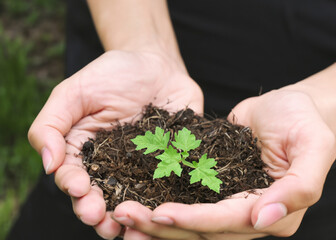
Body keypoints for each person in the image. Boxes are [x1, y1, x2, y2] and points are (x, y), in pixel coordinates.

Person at [7, 0, 336, 239]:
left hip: (292, 153)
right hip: (129, 76)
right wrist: (143, 45)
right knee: (84, 203)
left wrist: (318, 105)